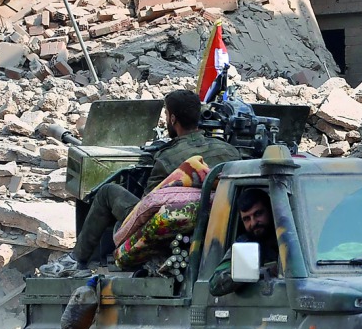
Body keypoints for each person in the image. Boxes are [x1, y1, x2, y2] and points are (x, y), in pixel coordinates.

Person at [42, 90, 241, 276]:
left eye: (166, 115)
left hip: (174, 227)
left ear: (172, 119)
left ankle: (76, 260)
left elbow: (146, 206)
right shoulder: (230, 151)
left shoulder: (167, 157)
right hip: (218, 223)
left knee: (107, 192)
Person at [209, 188, 279, 297]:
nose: (253, 223)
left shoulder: (291, 237)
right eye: (247, 219)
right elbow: (215, 284)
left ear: (270, 210)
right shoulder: (245, 245)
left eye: (258, 214)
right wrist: (262, 272)